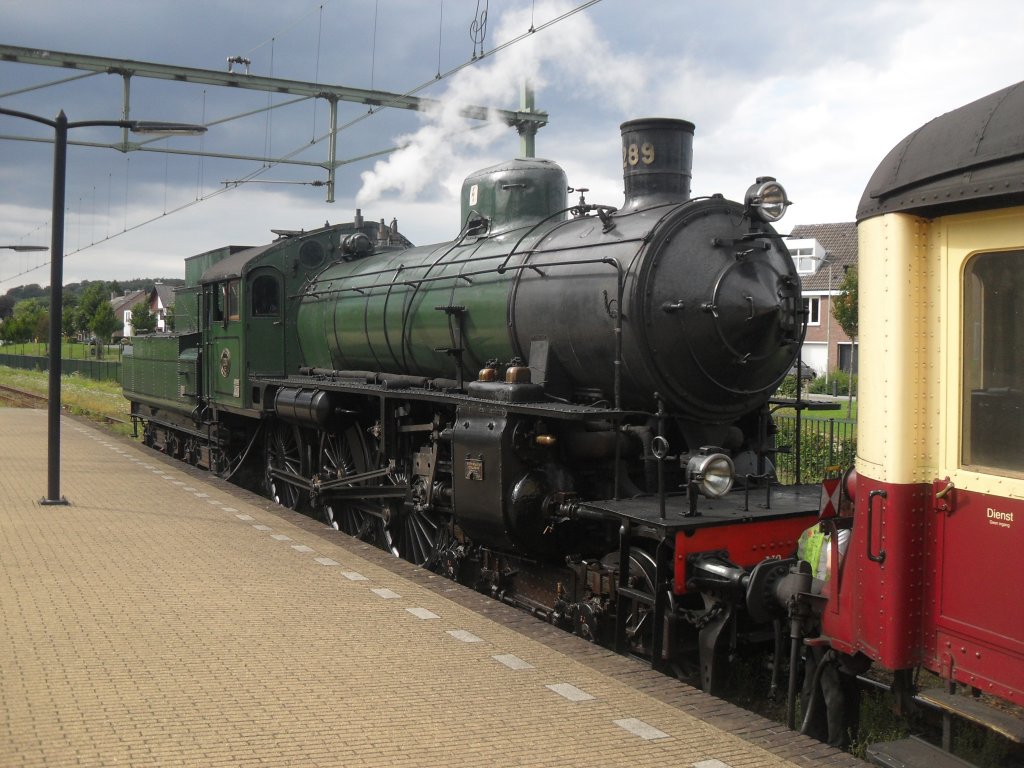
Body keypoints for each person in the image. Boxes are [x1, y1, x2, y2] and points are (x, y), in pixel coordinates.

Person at [797, 508, 861, 750]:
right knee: (833, 682)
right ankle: (838, 744)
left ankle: (812, 736)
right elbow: (835, 572)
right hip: (826, 611)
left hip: (810, 604)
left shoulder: (811, 532)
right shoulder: (842, 533)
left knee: (812, 678)